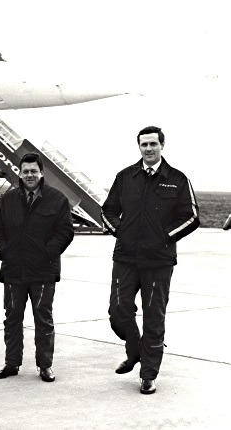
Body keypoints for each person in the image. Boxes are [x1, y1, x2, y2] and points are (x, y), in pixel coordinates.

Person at [101, 126, 200, 395]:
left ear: (162, 145)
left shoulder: (177, 179)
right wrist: (120, 231)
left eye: (153, 144)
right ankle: (134, 351)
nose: (148, 149)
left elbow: (192, 216)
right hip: (125, 258)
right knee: (118, 311)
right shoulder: (125, 177)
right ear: (139, 147)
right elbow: (108, 210)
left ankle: (148, 375)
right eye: (144, 144)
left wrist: (164, 238)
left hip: (159, 261)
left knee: (153, 318)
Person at [0, 152, 74, 382]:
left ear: (42, 173)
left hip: (43, 271)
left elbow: (65, 231)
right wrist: (4, 251)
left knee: (43, 319)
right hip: (13, 270)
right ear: (19, 173)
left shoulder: (57, 200)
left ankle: (45, 365)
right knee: (12, 318)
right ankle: (11, 363)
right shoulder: (8, 200)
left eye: (33, 171)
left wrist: (49, 251)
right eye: (25, 171)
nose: (29, 175)